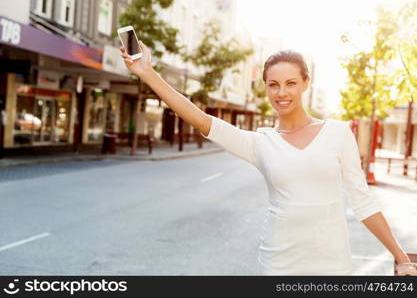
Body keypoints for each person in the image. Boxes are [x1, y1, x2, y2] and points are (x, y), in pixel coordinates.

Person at [120, 42, 417, 276]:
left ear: (305, 83)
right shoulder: (260, 142)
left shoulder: (338, 133)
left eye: (290, 83)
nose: (282, 92)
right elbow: (200, 119)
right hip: (279, 263)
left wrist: (401, 258)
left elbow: (362, 201)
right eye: (273, 84)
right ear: (265, 87)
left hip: (332, 263)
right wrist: (148, 73)